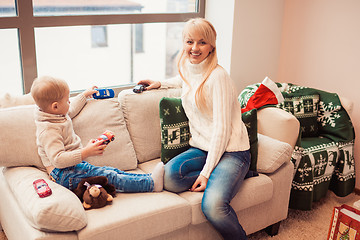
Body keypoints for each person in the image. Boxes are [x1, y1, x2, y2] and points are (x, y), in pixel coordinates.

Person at [137, 18, 251, 240]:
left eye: (202, 42)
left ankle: (235, 172)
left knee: (213, 206)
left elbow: (222, 130)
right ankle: (228, 176)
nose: (195, 48)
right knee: (169, 178)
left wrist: (206, 174)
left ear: (211, 47)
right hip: (203, 147)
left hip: (232, 150)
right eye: (190, 42)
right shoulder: (189, 68)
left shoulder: (219, 77)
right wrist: (159, 83)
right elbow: (184, 81)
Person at [31, 76, 164, 193]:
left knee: (110, 171)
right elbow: (58, 160)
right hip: (63, 174)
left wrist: (85, 95)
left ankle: (149, 178)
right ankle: (150, 184)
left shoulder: (56, 114)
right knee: (108, 177)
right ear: (55, 106)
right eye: (67, 100)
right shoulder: (48, 130)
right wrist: (85, 152)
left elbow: (71, 110)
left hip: (72, 168)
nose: (69, 102)